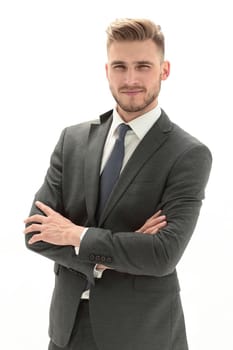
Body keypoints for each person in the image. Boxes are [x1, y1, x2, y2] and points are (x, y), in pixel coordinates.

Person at [24, 18, 212, 350]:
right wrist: (112, 252)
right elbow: (36, 233)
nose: (131, 79)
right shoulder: (73, 140)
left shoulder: (187, 154)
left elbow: (163, 254)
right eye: (120, 66)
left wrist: (76, 235)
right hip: (68, 332)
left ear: (164, 70)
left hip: (143, 334)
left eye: (143, 66)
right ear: (107, 70)